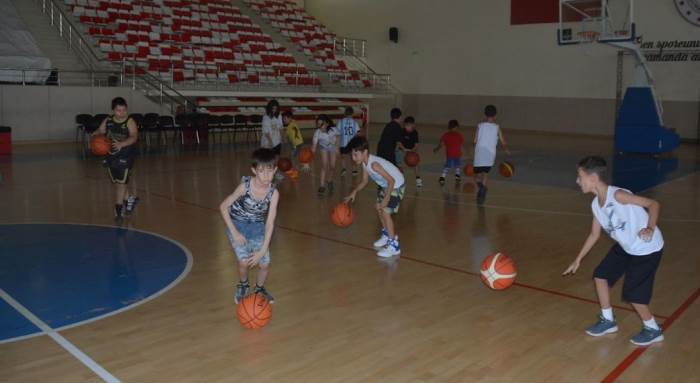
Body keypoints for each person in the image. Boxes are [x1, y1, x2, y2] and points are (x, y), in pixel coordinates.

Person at [563, 156, 665, 346]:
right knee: (600, 276)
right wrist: (578, 259)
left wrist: (650, 228)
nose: (577, 181)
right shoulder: (595, 205)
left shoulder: (618, 195)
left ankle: (653, 329)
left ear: (593, 178)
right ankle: (608, 320)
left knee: (634, 294)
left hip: (646, 249)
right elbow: (594, 235)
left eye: (580, 176)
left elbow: (653, 204)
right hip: (627, 246)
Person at [220, 148, 280, 304]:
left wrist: (262, 250)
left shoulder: (273, 193)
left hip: (257, 226)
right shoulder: (245, 187)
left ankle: (259, 288)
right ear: (254, 170)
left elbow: (270, 223)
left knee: (265, 264)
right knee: (244, 262)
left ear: (275, 170)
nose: (266, 176)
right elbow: (223, 207)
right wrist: (234, 233)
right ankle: (243, 285)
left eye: (270, 171)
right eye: (261, 171)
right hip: (237, 225)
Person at [344, 136, 405, 258]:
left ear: (365, 152)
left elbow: (391, 180)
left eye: (356, 154)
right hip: (387, 186)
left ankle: (394, 246)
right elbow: (365, 181)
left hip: (396, 185)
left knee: (385, 211)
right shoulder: (365, 163)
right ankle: (387, 234)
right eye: (352, 154)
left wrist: (386, 198)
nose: (353, 157)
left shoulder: (374, 165)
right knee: (378, 208)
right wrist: (354, 192)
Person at [92, 97, 139, 219]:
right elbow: (100, 131)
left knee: (121, 183)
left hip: (126, 154)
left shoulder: (129, 121)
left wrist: (121, 144)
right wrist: (95, 137)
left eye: (124, 110)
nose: (122, 113)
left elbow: (134, 137)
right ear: (113, 110)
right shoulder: (108, 120)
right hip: (111, 155)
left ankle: (118, 208)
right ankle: (130, 199)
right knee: (117, 182)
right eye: (118, 110)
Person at [472, 105, 509, 204]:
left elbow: (475, 141)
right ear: (495, 115)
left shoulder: (480, 125)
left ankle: (482, 188)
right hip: (490, 155)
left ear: (485, 114)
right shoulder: (497, 127)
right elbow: (503, 141)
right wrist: (506, 150)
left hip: (479, 154)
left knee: (476, 176)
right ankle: (482, 192)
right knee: (485, 174)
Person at [311, 114, 339, 195]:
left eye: (321, 124)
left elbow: (337, 136)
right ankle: (322, 185)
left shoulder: (333, 129)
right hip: (323, 148)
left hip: (332, 147)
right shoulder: (317, 133)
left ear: (327, 123)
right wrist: (307, 161)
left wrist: (337, 147)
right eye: (318, 124)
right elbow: (313, 148)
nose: (319, 126)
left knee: (332, 166)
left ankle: (330, 180)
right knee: (324, 165)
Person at [433, 119, 465, 186]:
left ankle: (442, 177)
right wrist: (464, 151)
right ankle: (457, 176)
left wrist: (436, 149)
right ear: (456, 127)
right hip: (457, 154)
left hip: (450, 154)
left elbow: (441, 144)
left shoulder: (446, 135)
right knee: (457, 166)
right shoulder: (459, 135)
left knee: (448, 166)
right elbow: (462, 144)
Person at [396, 116, 422, 187]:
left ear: (413, 125)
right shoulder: (401, 131)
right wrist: (403, 149)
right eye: (406, 126)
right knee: (398, 163)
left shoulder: (415, 133)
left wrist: (412, 151)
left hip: (411, 150)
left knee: (415, 162)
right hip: (402, 149)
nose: (407, 127)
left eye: (409, 126)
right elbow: (398, 142)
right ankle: (401, 179)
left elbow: (416, 145)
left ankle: (418, 179)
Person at [337, 106, 360, 177]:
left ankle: (344, 169)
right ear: (352, 113)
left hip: (343, 143)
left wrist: (337, 145)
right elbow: (357, 133)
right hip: (351, 143)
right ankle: (354, 170)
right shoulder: (354, 122)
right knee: (352, 157)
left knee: (343, 157)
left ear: (345, 113)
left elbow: (338, 134)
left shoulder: (340, 122)